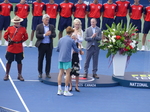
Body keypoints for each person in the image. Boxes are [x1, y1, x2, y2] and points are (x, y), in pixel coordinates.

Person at [57, 26, 81, 96]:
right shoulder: (71, 40)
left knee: (60, 73)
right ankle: (66, 90)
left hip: (60, 58)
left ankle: (59, 90)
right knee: (68, 74)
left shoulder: (61, 39)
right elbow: (76, 50)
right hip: (67, 59)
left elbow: (57, 49)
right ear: (71, 33)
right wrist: (80, 49)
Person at [3, 16, 28, 81]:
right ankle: (7, 74)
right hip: (11, 47)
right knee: (9, 61)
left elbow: (26, 37)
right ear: (14, 23)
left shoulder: (23, 29)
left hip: (19, 47)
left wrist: (21, 40)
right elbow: (5, 36)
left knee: (19, 61)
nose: (17, 23)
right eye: (16, 22)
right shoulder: (9, 28)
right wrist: (9, 40)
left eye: (18, 22)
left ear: (20, 22)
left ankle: (19, 75)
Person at [35, 14, 56, 78]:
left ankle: (47, 73)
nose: (47, 21)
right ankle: (40, 73)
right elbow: (37, 35)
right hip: (42, 45)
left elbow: (54, 35)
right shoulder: (39, 26)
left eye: (48, 19)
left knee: (48, 59)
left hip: (49, 46)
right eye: (46, 19)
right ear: (43, 20)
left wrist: (50, 34)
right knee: (40, 59)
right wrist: (44, 35)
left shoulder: (51, 26)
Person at [69, 19, 84, 92]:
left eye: (78, 24)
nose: (77, 26)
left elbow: (81, 41)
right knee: (70, 71)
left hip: (77, 53)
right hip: (70, 53)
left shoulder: (81, 32)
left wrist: (77, 38)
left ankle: (77, 86)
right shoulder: (71, 31)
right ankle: (70, 86)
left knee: (77, 71)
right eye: (76, 24)